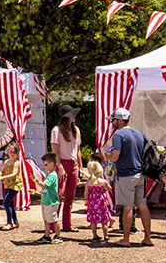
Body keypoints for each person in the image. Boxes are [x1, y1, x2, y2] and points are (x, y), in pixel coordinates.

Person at [106, 108, 154, 247]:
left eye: (113, 120)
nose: (112, 123)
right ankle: (148, 238)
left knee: (127, 207)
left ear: (120, 120)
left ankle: (126, 239)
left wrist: (107, 155)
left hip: (126, 174)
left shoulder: (118, 135)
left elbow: (115, 156)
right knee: (142, 205)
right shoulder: (139, 133)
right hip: (141, 173)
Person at [51, 104, 83, 232]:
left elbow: (78, 149)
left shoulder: (76, 130)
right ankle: (53, 224)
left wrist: (80, 166)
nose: (74, 116)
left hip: (73, 163)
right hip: (62, 163)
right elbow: (55, 152)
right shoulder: (56, 130)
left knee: (70, 196)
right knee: (58, 195)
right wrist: (59, 166)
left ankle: (67, 224)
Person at [33, 153, 62, 244]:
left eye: (45, 164)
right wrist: (37, 192)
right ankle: (46, 235)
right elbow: (45, 189)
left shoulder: (52, 175)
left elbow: (44, 185)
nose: (44, 166)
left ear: (51, 164)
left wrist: (34, 179)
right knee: (46, 219)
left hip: (51, 202)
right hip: (46, 201)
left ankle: (58, 235)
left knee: (54, 219)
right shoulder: (49, 175)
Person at [0, 142, 22, 230]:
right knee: (10, 203)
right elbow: (1, 170)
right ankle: (16, 221)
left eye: (14, 152)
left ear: (17, 153)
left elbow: (14, 174)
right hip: (7, 185)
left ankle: (9, 222)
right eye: (10, 151)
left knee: (6, 203)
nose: (12, 153)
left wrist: (2, 177)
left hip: (14, 186)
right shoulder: (6, 162)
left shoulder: (16, 163)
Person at [84, 161, 113, 243]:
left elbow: (86, 195)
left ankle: (95, 235)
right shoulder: (103, 182)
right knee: (104, 221)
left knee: (93, 221)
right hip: (102, 203)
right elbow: (110, 189)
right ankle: (106, 236)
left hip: (93, 204)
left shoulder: (88, 183)